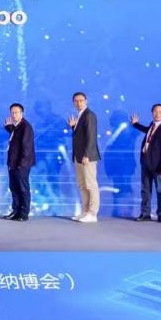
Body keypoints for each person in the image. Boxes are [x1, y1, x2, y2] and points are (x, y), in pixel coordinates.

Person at [130, 104, 161, 223]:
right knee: (145, 189)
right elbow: (148, 132)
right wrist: (136, 124)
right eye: (155, 111)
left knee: (160, 190)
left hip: (158, 165)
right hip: (146, 162)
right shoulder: (152, 125)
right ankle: (145, 214)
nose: (157, 114)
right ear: (152, 113)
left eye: (160, 112)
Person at [67, 92, 101, 223]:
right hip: (79, 156)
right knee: (82, 185)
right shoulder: (80, 115)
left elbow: (91, 137)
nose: (79, 103)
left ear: (86, 101)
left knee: (91, 185)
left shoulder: (89, 115)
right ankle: (85, 211)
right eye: (76, 101)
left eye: (81, 100)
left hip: (87, 156)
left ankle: (92, 213)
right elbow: (81, 135)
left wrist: (87, 154)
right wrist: (73, 127)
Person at [4, 103, 35, 221]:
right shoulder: (16, 126)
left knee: (23, 188)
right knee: (14, 187)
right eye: (12, 113)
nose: (14, 115)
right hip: (13, 163)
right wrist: (9, 128)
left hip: (21, 165)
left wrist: (21, 165)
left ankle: (24, 213)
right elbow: (15, 138)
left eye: (16, 112)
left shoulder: (26, 127)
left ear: (22, 113)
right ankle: (15, 211)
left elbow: (26, 148)